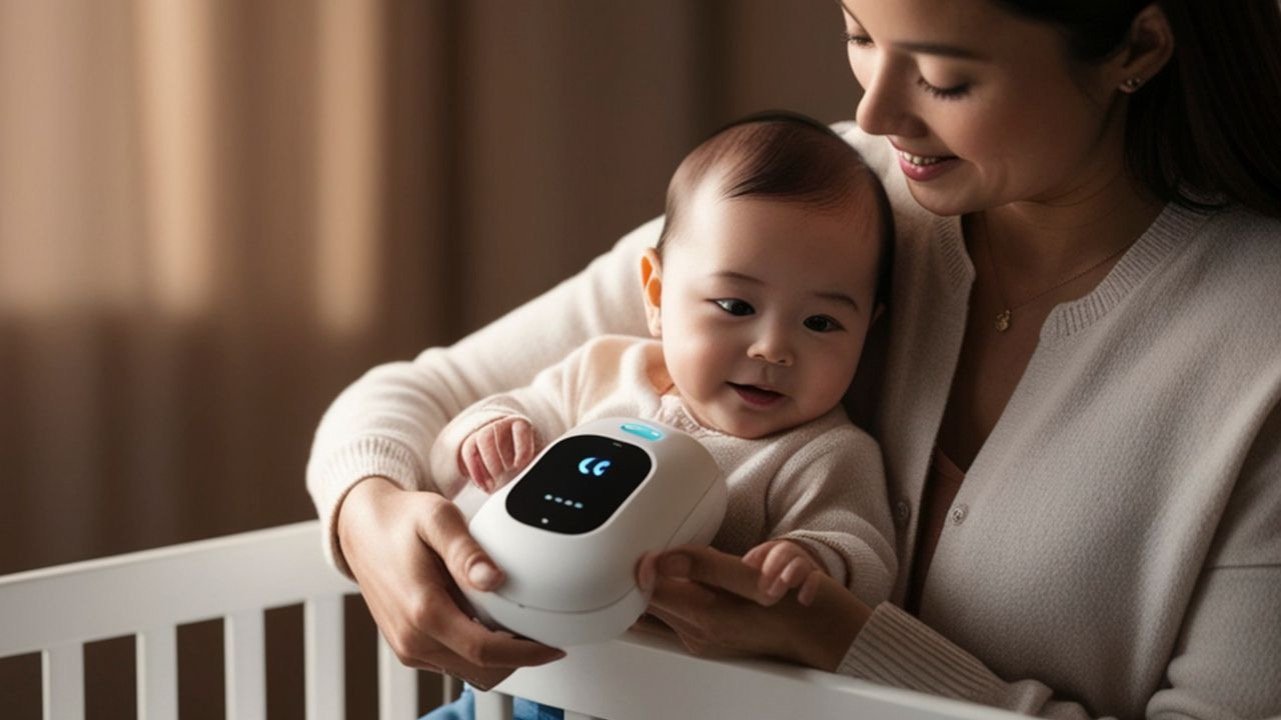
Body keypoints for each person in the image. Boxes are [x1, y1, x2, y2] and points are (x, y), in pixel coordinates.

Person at [307, 0, 1281, 717]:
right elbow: (414, 398)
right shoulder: (820, 202)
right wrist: (373, 518)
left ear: (1140, 46)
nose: (877, 110)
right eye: (859, 33)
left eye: (946, 77)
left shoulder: (1256, 344)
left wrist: (843, 641)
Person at [420, 112, 897, 719]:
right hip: (519, 689)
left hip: (667, 703)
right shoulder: (603, 372)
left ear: (868, 331)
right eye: (735, 304)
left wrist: (810, 562)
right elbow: (500, 423)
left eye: (822, 323)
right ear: (656, 295)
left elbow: (865, 552)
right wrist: (483, 431)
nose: (773, 348)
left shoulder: (823, 453)